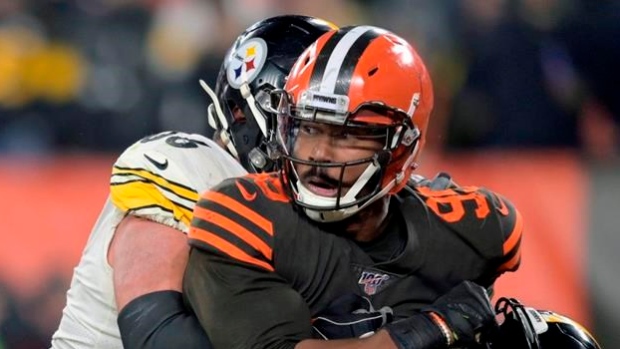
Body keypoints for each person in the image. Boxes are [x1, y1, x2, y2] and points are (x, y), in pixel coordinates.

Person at [184, 25, 524, 349]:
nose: (318, 154)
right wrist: (426, 330)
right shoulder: (245, 218)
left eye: (347, 134)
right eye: (309, 128)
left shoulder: (476, 230)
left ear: (403, 145)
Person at [49, 15, 337, 349]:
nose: (331, 149)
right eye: (315, 126)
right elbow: (155, 331)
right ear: (247, 116)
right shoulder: (196, 170)